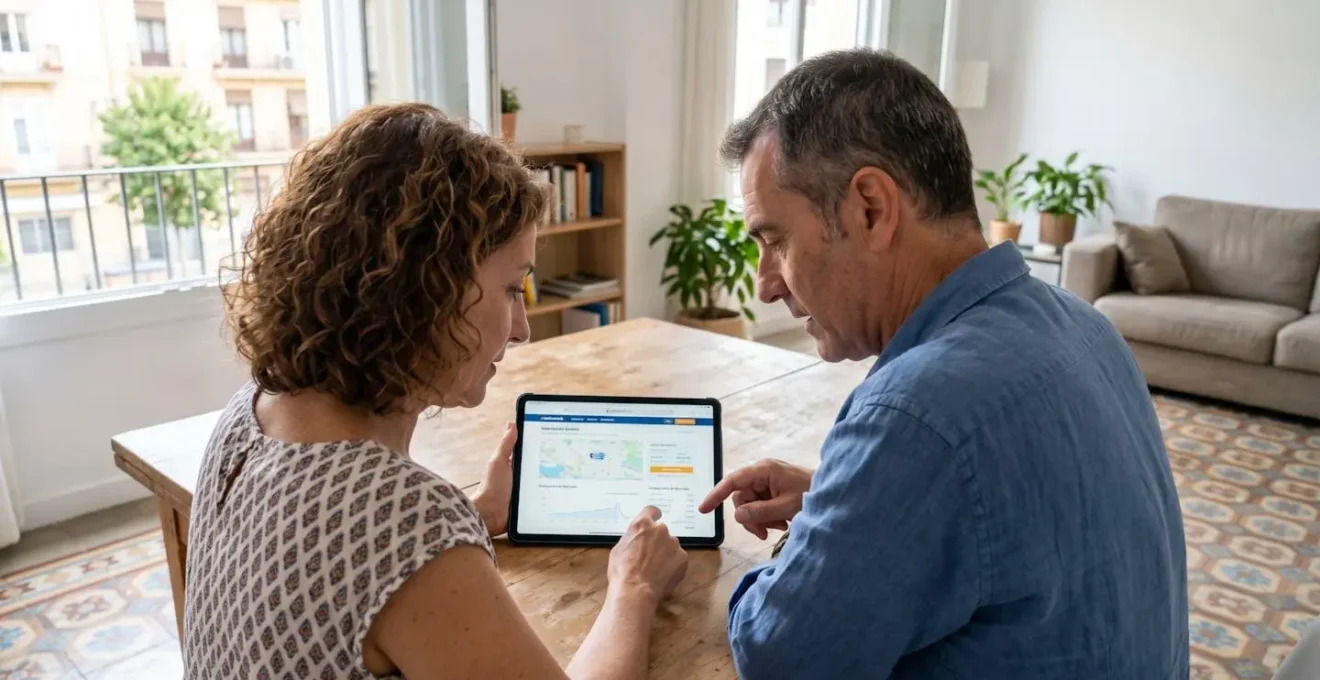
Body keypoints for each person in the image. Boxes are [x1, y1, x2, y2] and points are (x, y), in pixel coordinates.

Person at [700, 50, 1188, 678]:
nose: (766, 285)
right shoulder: (1087, 327)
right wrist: (842, 502)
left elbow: (780, 656)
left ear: (870, 208)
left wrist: (811, 542)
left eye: (775, 241)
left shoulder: (915, 414)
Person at [184, 103, 688, 680]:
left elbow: (338, 569)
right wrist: (634, 586)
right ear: (425, 290)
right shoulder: (405, 519)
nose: (522, 329)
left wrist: (478, 516)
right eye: (512, 288)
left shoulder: (250, 409)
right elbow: (387, 540)